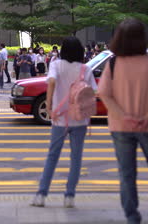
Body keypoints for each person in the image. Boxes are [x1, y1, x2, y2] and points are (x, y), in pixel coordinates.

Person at [98, 18, 148, 224]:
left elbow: (104, 95)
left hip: (121, 127)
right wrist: (147, 117)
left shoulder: (113, 64)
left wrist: (124, 117)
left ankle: (132, 216)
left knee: (127, 174)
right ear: (143, 38)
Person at [31, 36, 97, 208]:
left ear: (63, 50)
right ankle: (69, 196)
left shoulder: (56, 65)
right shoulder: (85, 68)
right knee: (76, 159)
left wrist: (49, 105)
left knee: (52, 157)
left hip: (60, 118)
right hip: (80, 119)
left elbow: (51, 81)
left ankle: (41, 194)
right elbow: (94, 93)